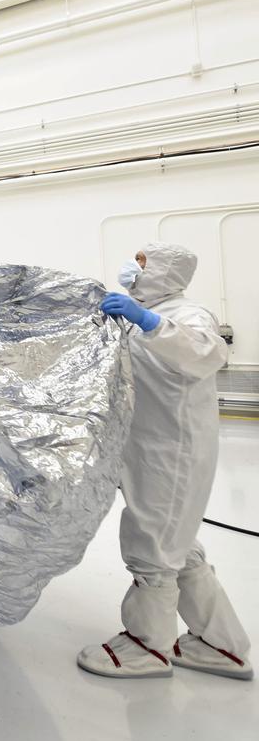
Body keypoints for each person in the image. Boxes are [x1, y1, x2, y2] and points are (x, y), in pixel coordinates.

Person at [77, 242, 251, 680]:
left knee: (153, 546)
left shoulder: (186, 315)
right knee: (180, 547)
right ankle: (221, 644)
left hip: (173, 454)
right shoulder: (139, 318)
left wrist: (151, 322)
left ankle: (145, 647)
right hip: (150, 449)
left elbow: (207, 353)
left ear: (164, 271)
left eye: (140, 264)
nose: (131, 270)